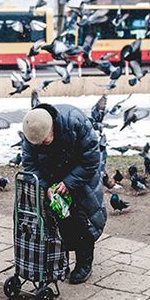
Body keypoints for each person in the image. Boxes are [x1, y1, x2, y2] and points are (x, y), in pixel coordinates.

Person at [20, 104, 106, 284]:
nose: (41, 145)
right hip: (52, 180)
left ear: (51, 126)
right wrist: (46, 187)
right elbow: (30, 166)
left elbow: (91, 159)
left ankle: (84, 263)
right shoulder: (32, 131)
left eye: (44, 140)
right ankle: (62, 261)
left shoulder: (75, 122)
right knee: (58, 222)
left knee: (82, 220)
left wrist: (69, 182)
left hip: (81, 178)